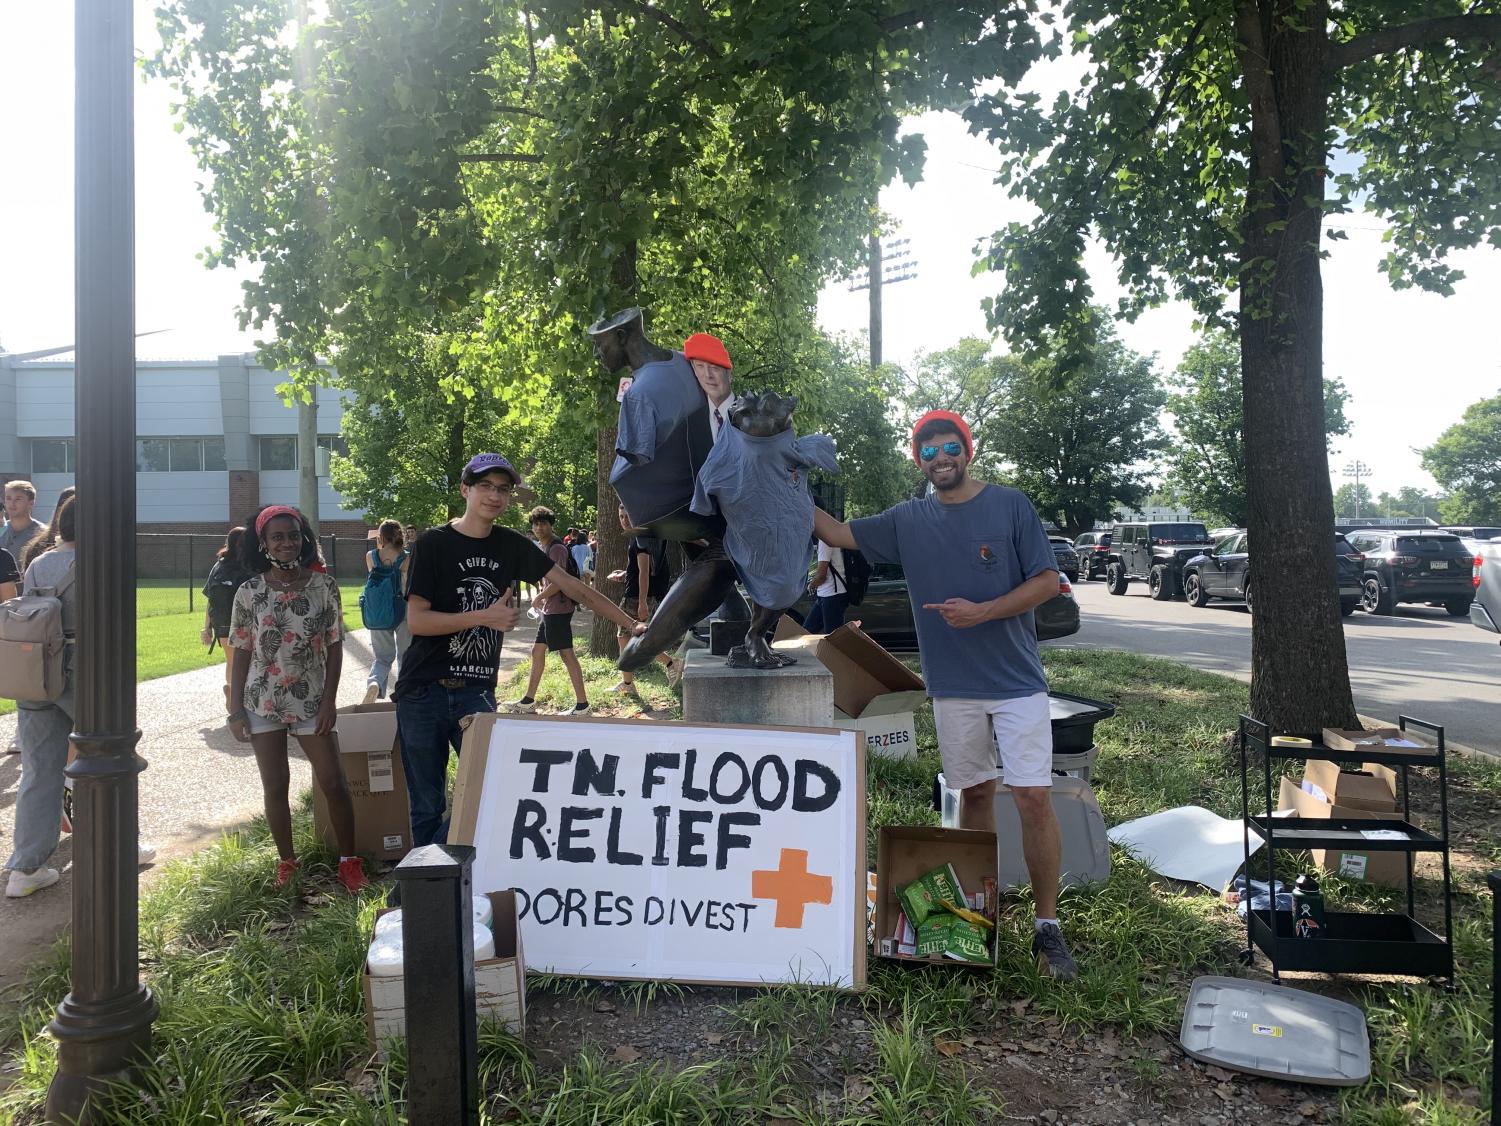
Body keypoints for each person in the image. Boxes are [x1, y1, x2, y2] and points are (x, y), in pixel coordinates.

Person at [811, 409, 1078, 981]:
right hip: (952, 688)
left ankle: (1047, 928)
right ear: (919, 461)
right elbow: (834, 533)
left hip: (1016, 684)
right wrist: (775, 480)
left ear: (968, 449)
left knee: (1033, 797)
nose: (939, 458)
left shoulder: (1010, 505)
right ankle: (976, 917)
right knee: (975, 795)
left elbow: (1046, 582)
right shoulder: (908, 520)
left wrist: (983, 611)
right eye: (927, 451)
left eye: (948, 446)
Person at [393, 453, 646, 847]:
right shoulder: (432, 545)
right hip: (421, 690)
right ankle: (426, 894)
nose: (494, 496)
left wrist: (632, 625)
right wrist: (484, 617)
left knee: (492, 788)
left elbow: (574, 587)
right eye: (485, 486)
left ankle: (457, 873)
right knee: (426, 802)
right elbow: (418, 621)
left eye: (503, 489)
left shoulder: (511, 545)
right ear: (465, 490)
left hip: (475, 693)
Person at [5, 497, 155, 897]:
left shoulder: (40, 562)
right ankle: (124, 844)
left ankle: (25, 866)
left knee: (39, 771)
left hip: (37, 671)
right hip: (84, 671)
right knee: (111, 757)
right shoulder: (100, 564)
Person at [227, 505, 367, 893]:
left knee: (334, 782)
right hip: (262, 702)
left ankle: (348, 862)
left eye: (293, 535)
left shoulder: (324, 586)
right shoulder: (249, 592)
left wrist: (329, 702)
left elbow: (335, 647)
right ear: (263, 543)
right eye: (277, 537)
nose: (287, 543)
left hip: (311, 700)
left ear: (303, 540)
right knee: (275, 786)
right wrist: (234, 709)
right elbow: (241, 649)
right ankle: (287, 862)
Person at [505, 507, 591, 715]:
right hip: (550, 609)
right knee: (537, 651)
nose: (539, 527)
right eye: (535, 524)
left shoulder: (556, 548)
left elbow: (560, 582)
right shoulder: (545, 547)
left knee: (567, 654)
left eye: (543, 523)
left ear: (551, 525)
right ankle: (528, 700)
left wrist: (539, 596)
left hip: (558, 609)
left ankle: (582, 704)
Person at [608, 505, 677, 695]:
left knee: (628, 639)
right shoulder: (645, 535)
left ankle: (669, 664)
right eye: (621, 516)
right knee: (634, 639)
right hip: (639, 594)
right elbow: (642, 569)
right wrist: (624, 574)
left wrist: (642, 603)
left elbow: (645, 572)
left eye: (627, 516)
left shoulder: (641, 538)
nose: (624, 521)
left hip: (636, 597)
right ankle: (629, 683)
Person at [201, 526, 252, 708]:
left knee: (231, 661)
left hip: (221, 622)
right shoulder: (250, 565)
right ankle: (241, 698)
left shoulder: (219, 565)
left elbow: (211, 599)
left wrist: (206, 627)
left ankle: (231, 690)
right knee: (248, 662)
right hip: (244, 622)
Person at [362, 519, 411, 704]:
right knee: (405, 654)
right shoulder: (407, 558)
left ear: (381, 536)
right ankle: (403, 693)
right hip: (403, 611)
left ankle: (374, 682)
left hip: (378, 613)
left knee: (382, 657)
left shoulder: (371, 556)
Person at [803, 538, 848, 634]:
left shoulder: (825, 542)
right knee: (807, 631)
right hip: (827, 595)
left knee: (833, 638)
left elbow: (821, 576)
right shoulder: (833, 538)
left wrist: (811, 585)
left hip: (832, 595)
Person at [0, 480, 48, 565]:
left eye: (18, 499)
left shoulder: (43, 534)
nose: (12, 503)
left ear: (31, 503)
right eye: (8, 498)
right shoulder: (1, 529)